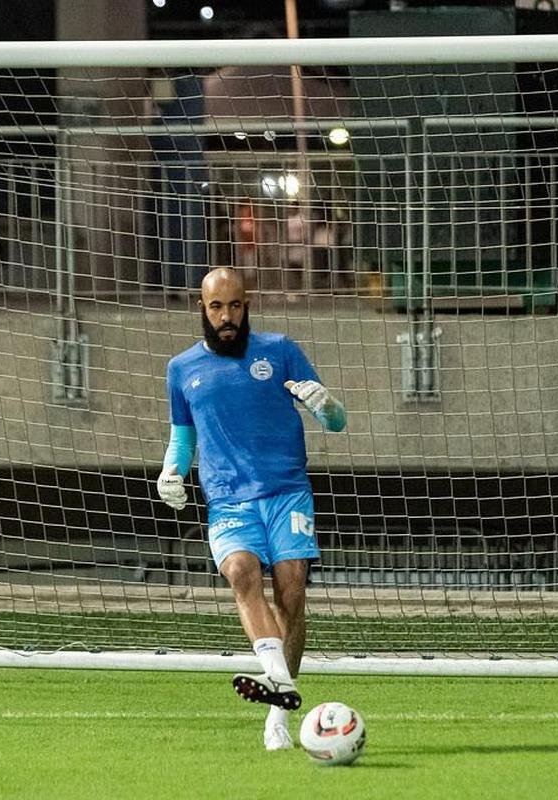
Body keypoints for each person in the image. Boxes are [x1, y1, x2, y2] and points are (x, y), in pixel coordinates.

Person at [155, 266, 347, 751]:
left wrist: (326, 405)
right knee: (241, 573)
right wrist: (170, 472)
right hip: (228, 498)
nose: (227, 317)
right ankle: (282, 684)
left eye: (235, 305)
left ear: (247, 305)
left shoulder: (281, 351)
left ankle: (276, 712)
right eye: (216, 306)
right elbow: (183, 435)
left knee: (291, 591)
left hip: (287, 492)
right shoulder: (182, 369)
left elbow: (337, 422)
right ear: (201, 308)